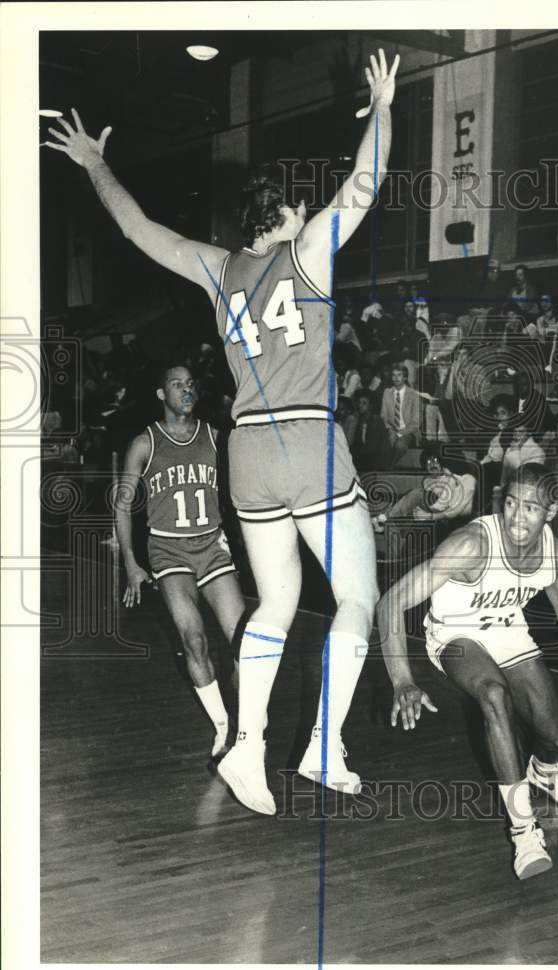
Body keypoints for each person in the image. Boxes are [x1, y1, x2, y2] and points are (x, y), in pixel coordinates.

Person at [50, 49, 401, 813]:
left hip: (246, 453)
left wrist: (92, 165)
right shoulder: (307, 254)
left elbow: (138, 229)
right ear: (281, 215)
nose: (310, 215)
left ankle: (248, 747)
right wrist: (384, 108)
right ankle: (323, 745)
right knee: (359, 599)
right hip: (307, 439)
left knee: (274, 604)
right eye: (300, 208)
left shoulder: (217, 268)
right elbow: (365, 185)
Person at [377, 464, 558, 881]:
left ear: (552, 509)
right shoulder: (471, 545)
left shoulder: (556, 554)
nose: (517, 516)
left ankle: (545, 771)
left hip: (509, 632)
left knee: (555, 736)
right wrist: (403, 680)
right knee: (493, 694)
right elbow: (391, 602)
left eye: (530, 507)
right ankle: (524, 832)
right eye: (511, 503)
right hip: (456, 635)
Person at [114, 363, 247, 760]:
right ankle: (223, 728)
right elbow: (122, 507)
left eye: (191, 384)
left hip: (211, 546)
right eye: (176, 384)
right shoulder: (145, 442)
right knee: (193, 639)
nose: (186, 391)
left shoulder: (216, 436)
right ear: (161, 394)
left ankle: (246, 724)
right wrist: (132, 564)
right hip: (168, 550)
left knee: (245, 644)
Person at [381, 363, 423, 466]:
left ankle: (388, 467)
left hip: (409, 431)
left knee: (400, 445)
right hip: (391, 430)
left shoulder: (414, 395)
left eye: (399, 375)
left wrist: (400, 433)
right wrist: (390, 430)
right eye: (393, 375)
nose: (396, 378)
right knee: (384, 443)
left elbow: (416, 422)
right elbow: (384, 415)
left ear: (405, 377)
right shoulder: (387, 392)